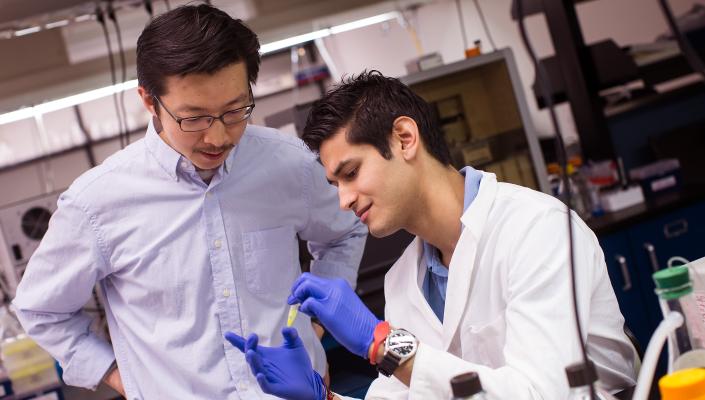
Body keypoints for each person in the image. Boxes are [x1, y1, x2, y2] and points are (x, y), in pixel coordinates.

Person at [12, 5, 367, 399]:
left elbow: (344, 232)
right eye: (193, 118)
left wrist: (315, 323)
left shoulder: (288, 164)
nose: (217, 138)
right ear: (149, 102)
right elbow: (40, 309)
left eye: (235, 111)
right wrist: (121, 376)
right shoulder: (96, 203)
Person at [225, 71, 638, 399]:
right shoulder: (404, 279)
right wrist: (323, 398)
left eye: (350, 174)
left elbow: (546, 394)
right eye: (335, 184)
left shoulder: (536, 230)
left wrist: (382, 344)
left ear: (405, 139)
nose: (343, 200)